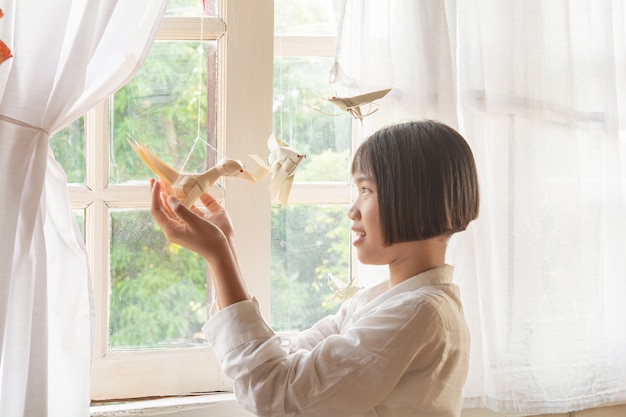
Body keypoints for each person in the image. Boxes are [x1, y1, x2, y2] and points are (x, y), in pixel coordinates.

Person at [149, 119, 480, 417]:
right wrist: (225, 247)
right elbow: (283, 362)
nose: (352, 210)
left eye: (366, 190)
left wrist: (219, 254)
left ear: (413, 199)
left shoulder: (419, 314)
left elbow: (275, 393)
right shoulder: (383, 303)